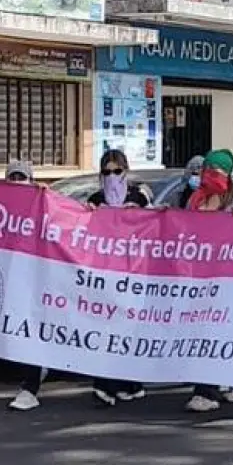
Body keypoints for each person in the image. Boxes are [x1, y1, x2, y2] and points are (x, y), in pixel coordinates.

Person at [184, 149, 233, 411]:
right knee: (199, 332)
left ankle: (215, 387)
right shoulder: (193, 199)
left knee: (219, 332)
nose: (209, 175)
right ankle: (205, 388)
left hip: (226, 278)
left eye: (217, 171)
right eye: (207, 170)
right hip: (196, 277)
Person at [86, 150, 150, 407]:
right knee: (106, 327)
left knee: (129, 329)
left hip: (134, 272)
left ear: (126, 171)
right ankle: (105, 384)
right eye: (106, 172)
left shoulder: (139, 197)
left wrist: (142, 213)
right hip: (106, 272)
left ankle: (130, 383)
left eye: (116, 171)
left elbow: (155, 226)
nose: (111, 177)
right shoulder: (95, 199)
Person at [4, 160, 49, 411]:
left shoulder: (41, 204)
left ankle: (30, 388)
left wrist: (46, 195)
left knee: (28, 329)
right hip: (8, 278)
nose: (17, 182)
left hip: (34, 279)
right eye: (13, 177)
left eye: (22, 177)